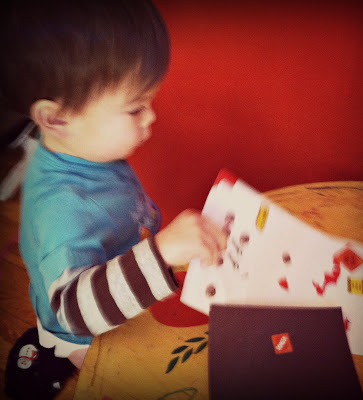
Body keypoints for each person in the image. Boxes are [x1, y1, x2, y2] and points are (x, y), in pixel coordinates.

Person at [0, 1, 227, 398]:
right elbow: (74, 314)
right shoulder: (61, 210)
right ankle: (49, 360)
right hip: (85, 335)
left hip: (128, 285)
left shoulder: (85, 151)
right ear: (56, 119)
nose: (151, 117)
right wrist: (161, 252)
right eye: (135, 108)